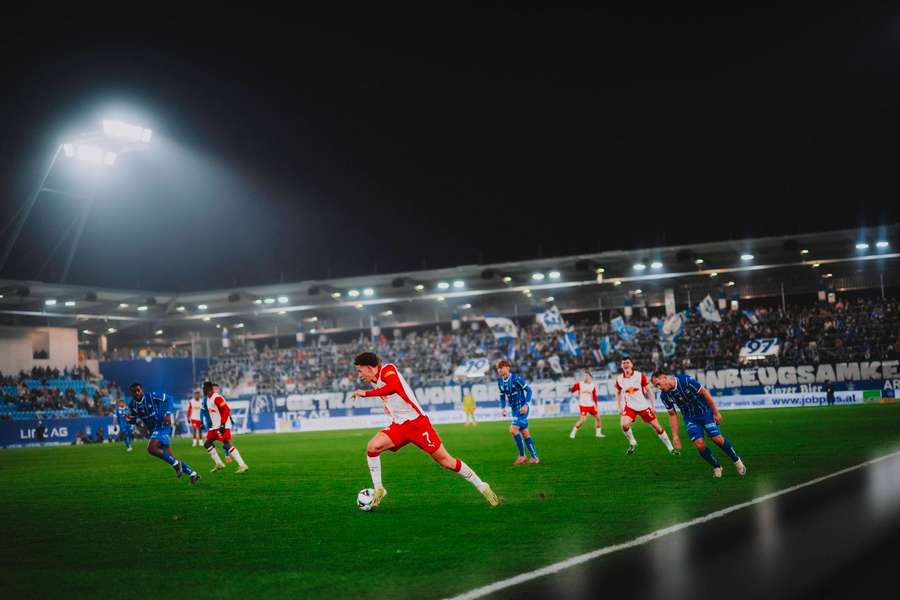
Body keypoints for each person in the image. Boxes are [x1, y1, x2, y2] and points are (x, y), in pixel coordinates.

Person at [349, 352, 498, 510]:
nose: (359, 375)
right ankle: (379, 488)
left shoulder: (388, 370)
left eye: (360, 371)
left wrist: (364, 394)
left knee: (446, 461)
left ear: (369, 367)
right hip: (399, 425)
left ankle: (482, 486)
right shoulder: (373, 380)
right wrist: (387, 405)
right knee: (372, 447)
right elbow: (390, 395)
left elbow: (393, 387)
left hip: (418, 424)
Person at [651, 370, 746, 478]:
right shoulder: (665, 396)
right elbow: (672, 415)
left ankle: (737, 460)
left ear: (664, 377)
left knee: (717, 439)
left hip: (706, 413)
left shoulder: (686, 380)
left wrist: (716, 413)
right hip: (691, 419)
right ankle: (716, 466)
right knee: (699, 445)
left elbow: (705, 393)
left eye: (658, 384)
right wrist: (675, 435)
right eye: (656, 386)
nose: (658, 387)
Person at [128, 383, 200, 484]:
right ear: (131, 393)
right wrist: (129, 420)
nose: (137, 393)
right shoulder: (132, 405)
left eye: (138, 390)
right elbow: (134, 419)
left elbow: (169, 399)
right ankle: (193, 474)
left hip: (162, 424)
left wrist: (167, 414)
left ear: (141, 390)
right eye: (134, 391)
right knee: (170, 456)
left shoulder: (151, 396)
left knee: (151, 448)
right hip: (153, 429)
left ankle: (175, 465)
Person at [615, 357, 678, 456]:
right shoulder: (619, 379)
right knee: (623, 425)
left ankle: (671, 448)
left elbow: (649, 390)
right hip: (630, 407)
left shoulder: (639, 376)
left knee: (658, 428)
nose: (626, 364)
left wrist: (653, 406)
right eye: (623, 363)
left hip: (643, 407)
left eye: (627, 362)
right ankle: (633, 442)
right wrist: (619, 406)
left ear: (631, 364)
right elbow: (618, 392)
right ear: (621, 365)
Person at [496, 359, 539, 464]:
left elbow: (529, 390)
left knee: (513, 429)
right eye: (498, 368)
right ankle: (534, 457)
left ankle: (522, 456)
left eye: (501, 368)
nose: (499, 370)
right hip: (514, 410)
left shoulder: (516, 379)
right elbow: (502, 396)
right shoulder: (500, 382)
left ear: (507, 368)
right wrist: (503, 408)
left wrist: (526, 404)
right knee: (525, 433)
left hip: (522, 409)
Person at [202, 381, 248, 473]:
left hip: (222, 425)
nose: (203, 390)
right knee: (207, 444)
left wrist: (223, 424)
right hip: (214, 427)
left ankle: (242, 465)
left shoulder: (217, 398)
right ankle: (219, 463)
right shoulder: (207, 399)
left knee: (227, 444)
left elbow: (226, 409)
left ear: (208, 389)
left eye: (204, 388)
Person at [569, 370, 604, 439]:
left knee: (598, 418)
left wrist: (596, 405)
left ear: (590, 377)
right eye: (584, 376)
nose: (585, 377)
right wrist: (572, 387)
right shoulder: (580, 384)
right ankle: (573, 432)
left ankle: (598, 433)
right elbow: (572, 390)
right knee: (582, 420)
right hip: (583, 405)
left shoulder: (592, 386)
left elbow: (594, 396)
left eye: (587, 376)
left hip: (591, 405)